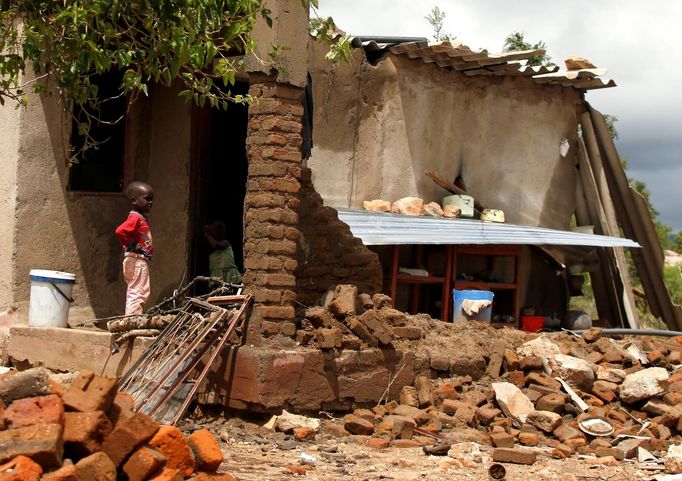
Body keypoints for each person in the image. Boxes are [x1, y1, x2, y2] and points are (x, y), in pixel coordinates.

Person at [115, 181, 154, 315]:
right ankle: (131, 320)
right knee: (138, 293)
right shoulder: (136, 218)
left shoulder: (138, 217)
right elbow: (120, 231)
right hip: (137, 260)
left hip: (136, 260)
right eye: (147, 199)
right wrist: (134, 245)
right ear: (134, 200)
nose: (150, 203)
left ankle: (131, 319)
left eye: (151, 200)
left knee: (135, 291)